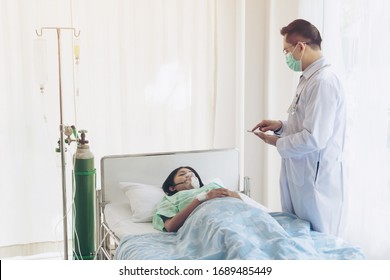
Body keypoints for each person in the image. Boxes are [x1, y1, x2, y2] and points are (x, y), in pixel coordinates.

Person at [251, 19, 346, 236]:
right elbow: (302, 125)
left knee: (318, 243)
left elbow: (314, 138)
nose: (287, 57)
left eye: (287, 51)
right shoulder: (308, 79)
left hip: (316, 182)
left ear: (301, 47)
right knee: (299, 237)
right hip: (301, 175)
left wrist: (276, 142)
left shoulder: (323, 82)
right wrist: (279, 127)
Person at [152, 166, 241, 232]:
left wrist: (230, 193)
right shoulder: (170, 199)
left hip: (237, 215)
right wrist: (201, 198)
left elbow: (240, 202)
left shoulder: (212, 186)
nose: (190, 176)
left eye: (192, 174)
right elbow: (170, 227)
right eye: (182, 174)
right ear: (172, 188)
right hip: (212, 223)